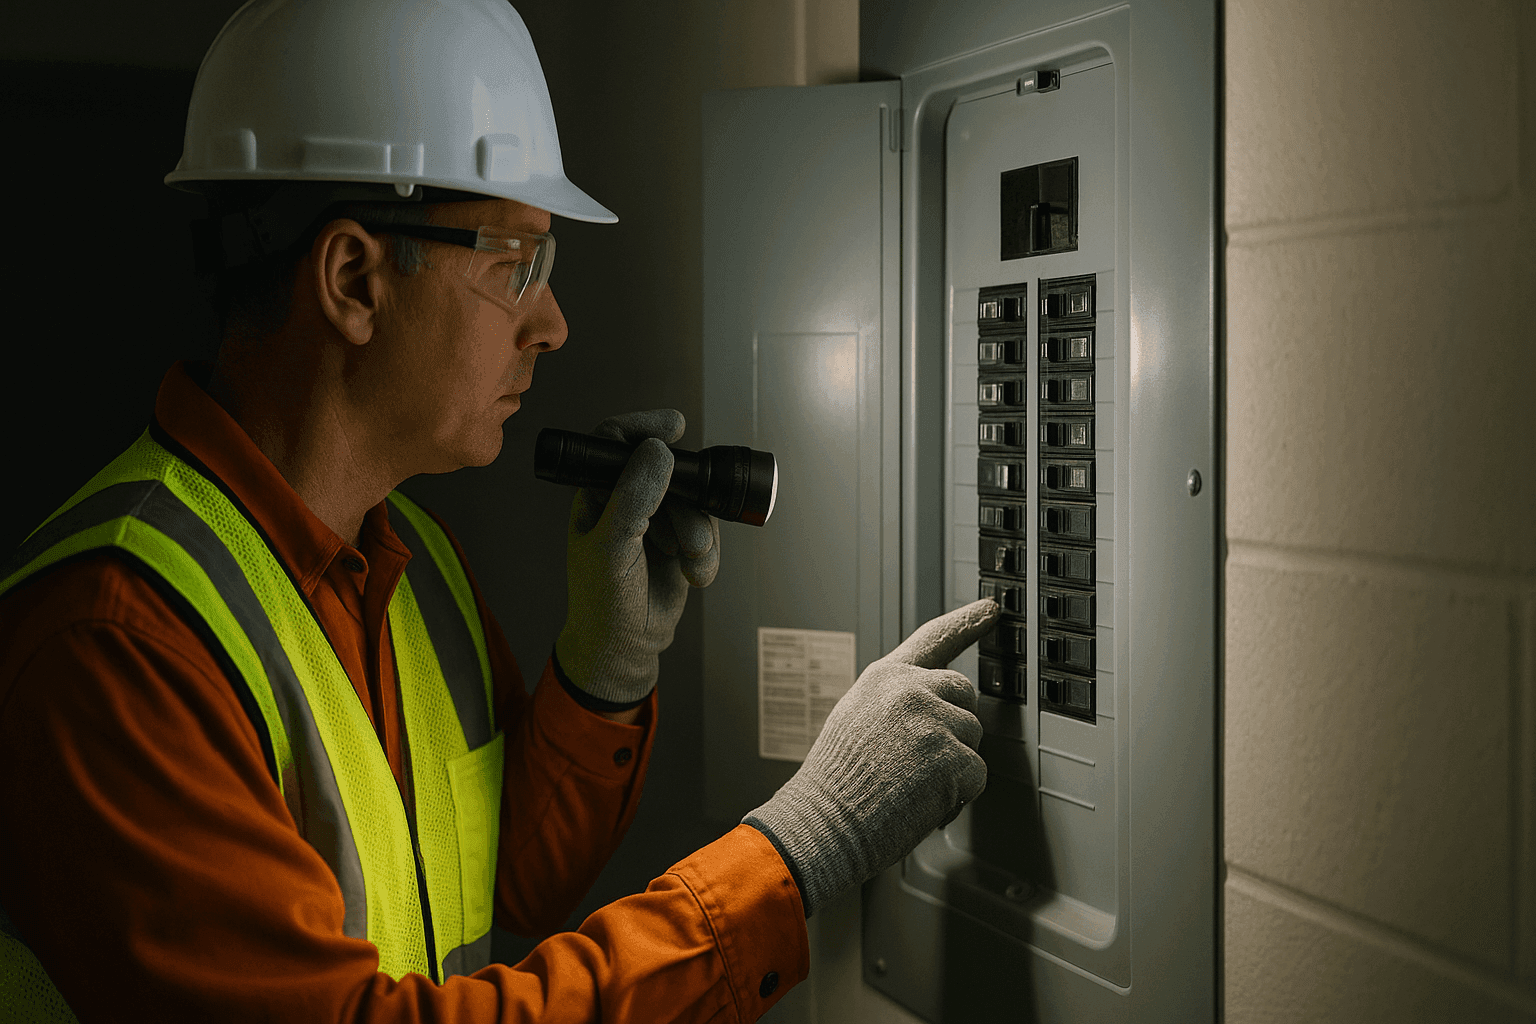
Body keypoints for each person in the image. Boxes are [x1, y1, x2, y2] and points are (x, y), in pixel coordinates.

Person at [0, 1, 1000, 1021]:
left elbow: (511, 877)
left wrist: (603, 675)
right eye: (513, 264)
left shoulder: (410, 556)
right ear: (354, 278)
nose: (552, 323)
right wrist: (805, 846)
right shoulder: (114, 645)